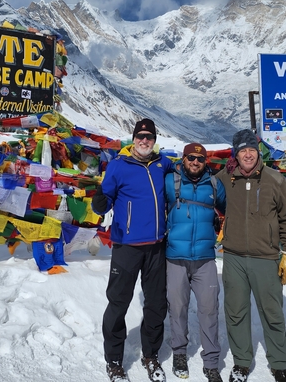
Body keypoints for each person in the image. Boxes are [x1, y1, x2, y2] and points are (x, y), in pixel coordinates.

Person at [92, 118, 174, 382]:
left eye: (149, 137)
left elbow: (189, 173)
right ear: (133, 138)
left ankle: (150, 356)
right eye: (141, 136)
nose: (144, 141)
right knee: (118, 303)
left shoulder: (163, 164)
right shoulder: (118, 166)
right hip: (126, 247)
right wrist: (99, 204)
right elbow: (104, 203)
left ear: (154, 139)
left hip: (156, 248)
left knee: (156, 305)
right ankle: (114, 361)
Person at [215, 129, 286, 382]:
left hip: (266, 257)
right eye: (242, 150)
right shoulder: (223, 178)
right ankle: (241, 362)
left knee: (272, 312)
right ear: (235, 155)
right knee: (236, 312)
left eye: (251, 149)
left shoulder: (274, 179)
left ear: (258, 151)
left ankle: (279, 363)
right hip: (234, 257)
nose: (247, 154)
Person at [165, 142, 226, 382]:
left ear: (205, 162)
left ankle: (211, 362)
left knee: (209, 309)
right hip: (175, 257)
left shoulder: (213, 184)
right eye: (191, 158)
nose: (195, 162)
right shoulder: (170, 181)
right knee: (177, 308)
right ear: (183, 159)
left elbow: (230, 209)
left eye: (200, 159)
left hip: (205, 259)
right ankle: (179, 353)